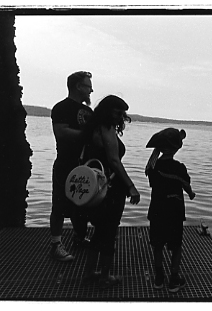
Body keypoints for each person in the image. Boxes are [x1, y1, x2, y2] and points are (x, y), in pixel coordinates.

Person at [81, 95, 140, 288]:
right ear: (108, 110)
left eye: (123, 113)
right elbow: (114, 161)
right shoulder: (106, 129)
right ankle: (105, 277)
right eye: (118, 112)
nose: (121, 116)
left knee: (99, 231)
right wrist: (131, 186)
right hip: (110, 188)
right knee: (108, 232)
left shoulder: (93, 127)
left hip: (97, 187)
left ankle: (89, 273)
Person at [50, 71, 94, 261]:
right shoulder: (61, 108)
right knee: (59, 205)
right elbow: (61, 132)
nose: (91, 89)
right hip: (65, 164)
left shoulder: (90, 112)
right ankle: (56, 245)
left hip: (84, 165)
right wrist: (87, 136)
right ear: (78, 86)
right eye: (88, 86)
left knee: (83, 203)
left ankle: (79, 237)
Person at [145, 128, 195, 293]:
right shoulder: (179, 167)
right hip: (174, 212)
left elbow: (151, 176)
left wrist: (157, 150)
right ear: (177, 148)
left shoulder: (153, 166)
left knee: (157, 245)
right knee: (176, 246)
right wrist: (191, 193)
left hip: (157, 210)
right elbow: (186, 186)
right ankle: (173, 279)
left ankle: (158, 278)